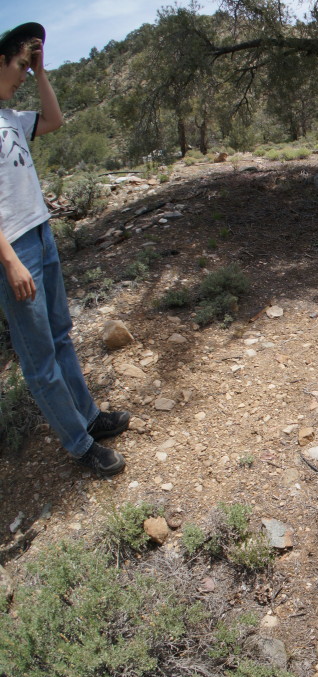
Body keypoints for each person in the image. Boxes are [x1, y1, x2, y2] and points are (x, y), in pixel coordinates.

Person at [0, 22, 130, 476]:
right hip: (12, 251)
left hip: (40, 233)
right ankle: (79, 444)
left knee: (60, 336)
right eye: (19, 65)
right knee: (39, 356)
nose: (22, 75)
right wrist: (11, 261)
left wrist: (40, 71)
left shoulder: (11, 119)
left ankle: (90, 417)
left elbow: (54, 120)